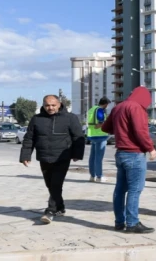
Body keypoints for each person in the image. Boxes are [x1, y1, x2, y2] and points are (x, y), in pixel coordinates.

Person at [20, 95, 86, 224]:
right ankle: (60, 207)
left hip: (62, 157)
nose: (50, 108)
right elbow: (29, 138)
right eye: (47, 105)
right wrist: (25, 156)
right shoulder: (36, 119)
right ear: (43, 105)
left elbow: (78, 136)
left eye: (53, 105)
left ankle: (50, 211)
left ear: (59, 104)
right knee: (50, 184)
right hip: (44, 156)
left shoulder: (70, 118)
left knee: (56, 184)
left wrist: (77, 154)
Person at [104, 86, 156, 233]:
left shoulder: (118, 107)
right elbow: (141, 131)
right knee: (135, 190)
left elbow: (106, 128)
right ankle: (132, 223)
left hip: (120, 153)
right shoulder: (136, 108)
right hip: (134, 154)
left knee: (120, 190)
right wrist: (150, 148)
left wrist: (121, 129)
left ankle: (119, 222)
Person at [87, 97, 111, 183]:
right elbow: (101, 121)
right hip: (100, 135)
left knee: (92, 157)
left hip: (92, 134)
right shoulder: (100, 110)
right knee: (98, 158)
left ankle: (92, 176)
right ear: (106, 104)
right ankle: (99, 176)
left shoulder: (91, 109)